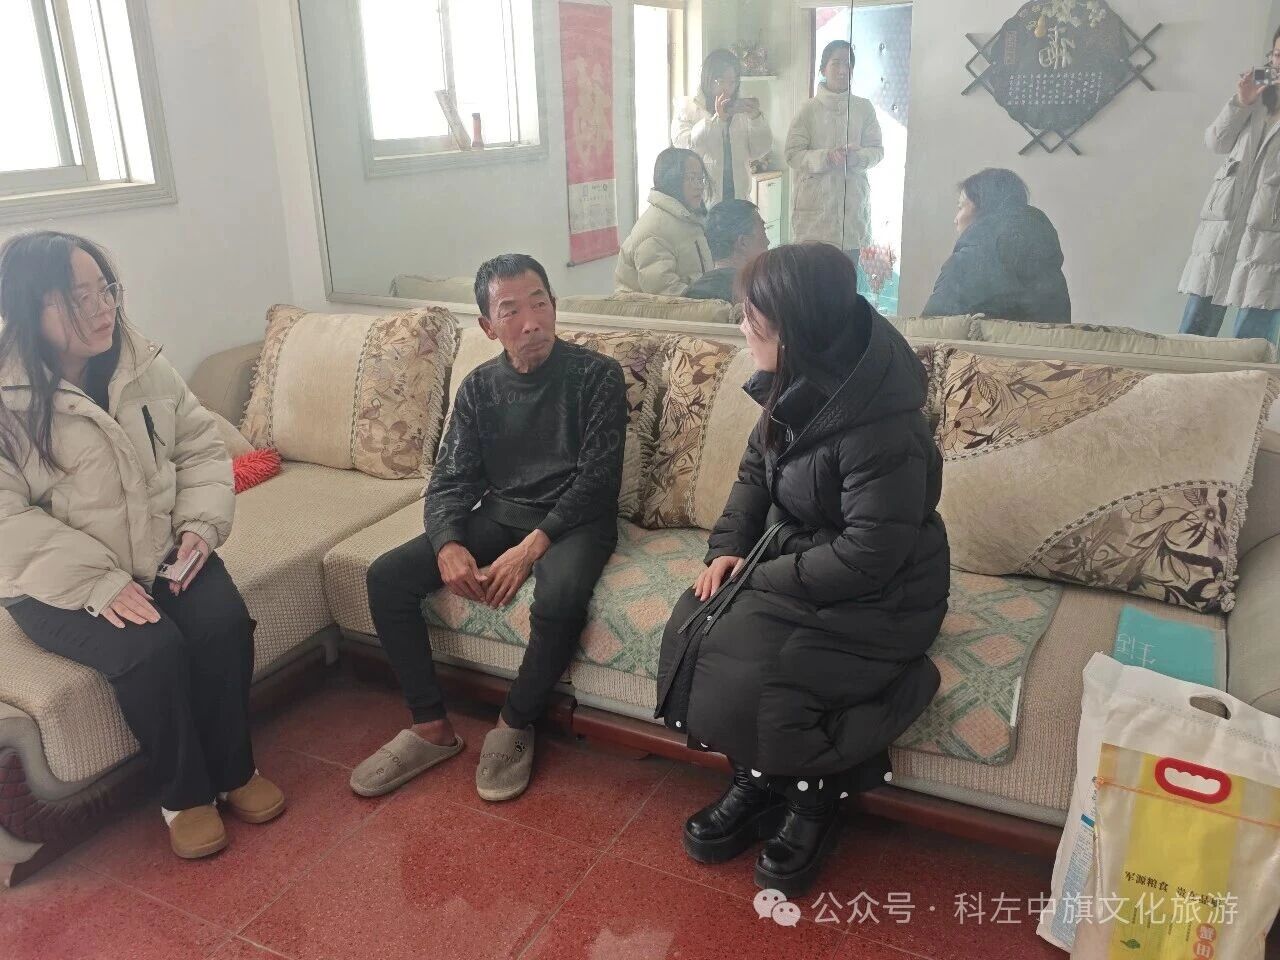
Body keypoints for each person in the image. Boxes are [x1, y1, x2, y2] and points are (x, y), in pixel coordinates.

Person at [655, 243, 948, 897]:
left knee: (772, 666)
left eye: (752, 317)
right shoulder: (800, 381)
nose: (742, 326)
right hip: (805, 558)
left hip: (888, 590)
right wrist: (728, 549)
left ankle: (814, 798)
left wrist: (758, 577)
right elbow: (754, 473)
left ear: (794, 327)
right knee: (697, 621)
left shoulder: (882, 425)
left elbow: (871, 555)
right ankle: (756, 778)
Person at [0, 231, 284, 860]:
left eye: (105, 290)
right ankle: (185, 795)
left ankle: (234, 770)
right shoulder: (6, 398)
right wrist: (99, 584)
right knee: (152, 650)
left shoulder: (141, 363)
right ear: (30, 307)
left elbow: (199, 447)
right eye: (80, 298)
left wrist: (198, 526)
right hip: (54, 583)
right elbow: (6, 523)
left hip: (160, 550)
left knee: (222, 624)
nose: (103, 308)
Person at [353, 254, 627, 803]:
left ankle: (514, 722)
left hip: (576, 521)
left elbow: (599, 480)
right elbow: (451, 478)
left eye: (540, 304)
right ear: (487, 326)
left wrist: (532, 548)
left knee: (560, 598)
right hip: (502, 512)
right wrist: (447, 543)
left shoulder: (597, 375)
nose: (531, 322)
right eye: (511, 311)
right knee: (387, 577)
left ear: (555, 306)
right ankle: (430, 726)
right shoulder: (479, 388)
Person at [1179, 28, 1280, 347]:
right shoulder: (1256, 96)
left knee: (1252, 340)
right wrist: (1241, 102)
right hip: (1223, 226)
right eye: (1278, 56)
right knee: (1192, 336)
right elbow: (1216, 142)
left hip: (1270, 235)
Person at [922, 168, 1071, 324]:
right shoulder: (1050, 274)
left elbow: (928, 332)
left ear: (983, 209)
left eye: (960, 207)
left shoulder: (964, 265)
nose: (956, 219)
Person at [785, 41, 884, 257]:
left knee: (848, 274)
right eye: (836, 63)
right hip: (815, 217)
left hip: (852, 214)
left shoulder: (864, 108)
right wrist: (827, 157)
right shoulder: (808, 109)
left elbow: (877, 150)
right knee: (813, 275)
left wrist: (857, 158)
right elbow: (793, 154)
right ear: (823, 69)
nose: (842, 70)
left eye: (847, 64)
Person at [672, 49, 773, 207]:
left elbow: (759, 151)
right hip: (703, 204)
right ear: (707, 79)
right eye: (720, 81)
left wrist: (756, 118)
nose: (727, 88)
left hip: (739, 202)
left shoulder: (740, 110)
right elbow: (686, 149)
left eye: (732, 82)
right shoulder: (688, 107)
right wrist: (717, 120)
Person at [616, 148, 714, 296]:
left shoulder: (687, 219)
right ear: (672, 180)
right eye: (692, 178)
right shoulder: (655, 229)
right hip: (652, 310)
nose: (699, 186)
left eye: (701, 179)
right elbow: (665, 293)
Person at [686, 199, 770, 303]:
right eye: (763, 232)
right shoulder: (759, 297)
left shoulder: (691, 294)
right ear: (743, 243)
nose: (768, 242)